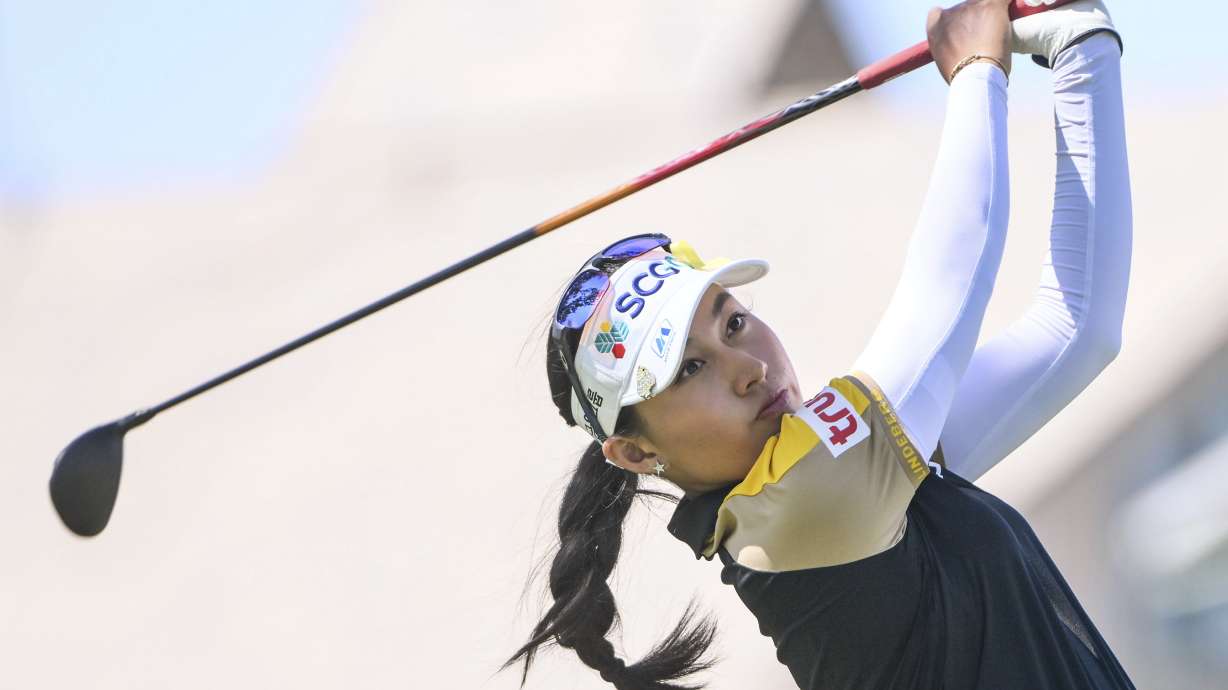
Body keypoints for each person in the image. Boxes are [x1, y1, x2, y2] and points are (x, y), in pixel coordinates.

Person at [505, 0, 1135, 687]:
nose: (748, 367)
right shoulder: (801, 502)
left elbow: (1075, 330)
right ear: (634, 453)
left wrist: (1081, 46)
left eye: (732, 322)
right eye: (688, 368)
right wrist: (977, 70)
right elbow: (945, 289)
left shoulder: (840, 492)